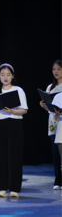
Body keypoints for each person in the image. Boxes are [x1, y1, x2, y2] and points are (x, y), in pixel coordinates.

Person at [0, 64, 29, 198]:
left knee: (14, 156)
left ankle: (14, 188)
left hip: (14, 124)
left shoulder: (18, 90)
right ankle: (1, 188)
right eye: (3, 75)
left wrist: (12, 111)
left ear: (13, 76)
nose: (5, 77)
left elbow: (24, 110)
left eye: (8, 75)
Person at [39, 60, 62, 192]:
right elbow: (50, 108)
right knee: (55, 153)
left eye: (58, 69)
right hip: (53, 122)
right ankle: (58, 180)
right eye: (54, 69)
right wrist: (44, 106)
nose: (56, 72)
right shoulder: (50, 87)